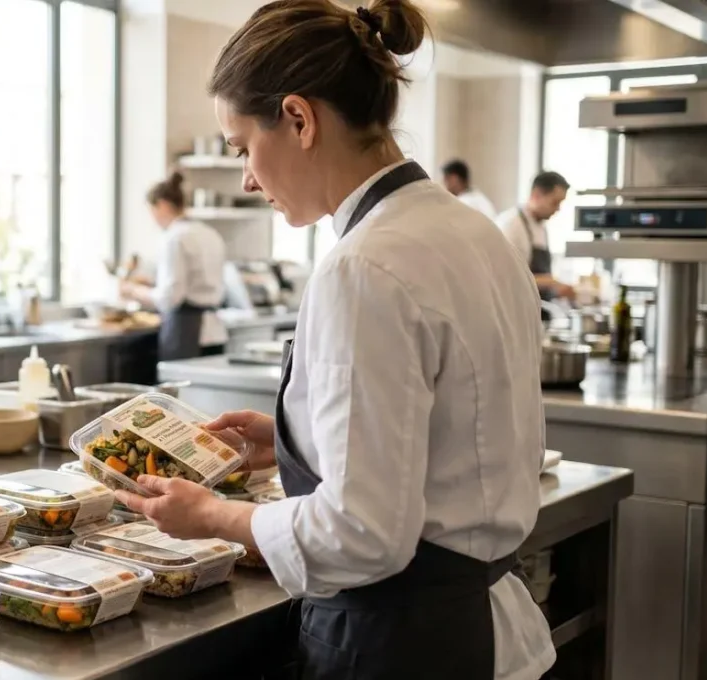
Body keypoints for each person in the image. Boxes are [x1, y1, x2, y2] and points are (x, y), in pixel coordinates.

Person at [115, 1, 554, 678]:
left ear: (299, 118)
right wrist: (298, 436)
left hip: (406, 645)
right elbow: (455, 433)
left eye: (242, 147)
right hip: (487, 628)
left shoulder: (364, 267)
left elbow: (363, 534)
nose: (247, 178)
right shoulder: (477, 234)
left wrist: (215, 516)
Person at [119, 171, 229, 360]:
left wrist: (133, 290)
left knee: (179, 380)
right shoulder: (210, 234)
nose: (152, 219)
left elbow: (170, 297)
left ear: (162, 205)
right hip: (215, 332)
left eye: (151, 210)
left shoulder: (174, 238)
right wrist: (152, 284)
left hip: (186, 332)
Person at [497, 171, 576, 301]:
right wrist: (552, 282)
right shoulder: (512, 225)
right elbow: (508, 278)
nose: (558, 209)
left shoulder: (541, 226)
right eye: (555, 202)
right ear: (536, 195)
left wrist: (556, 290)